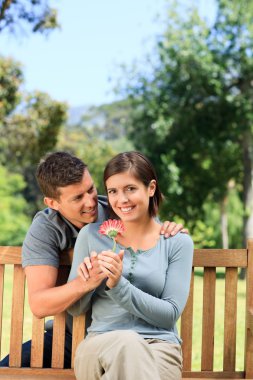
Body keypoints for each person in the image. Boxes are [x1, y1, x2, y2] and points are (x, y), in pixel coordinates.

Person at [0, 151, 187, 368]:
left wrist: (168, 229)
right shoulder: (45, 229)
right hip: (72, 337)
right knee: (8, 370)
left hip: (135, 332)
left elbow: (152, 241)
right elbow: (40, 304)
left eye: (91, 189)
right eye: (78, 198)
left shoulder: (119, 208)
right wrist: (83, 284)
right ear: (52, 203)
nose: (90, 202)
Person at [68, 151, 194, 380]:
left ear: (151, 188)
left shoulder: (177, 242)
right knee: (128, 341)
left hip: (159, 348)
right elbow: (76, 309)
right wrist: (88, 282)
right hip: (99, 345)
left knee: (132, 348)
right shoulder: (90, 236)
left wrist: (118, 285)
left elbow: (169, 315)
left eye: (130, 189)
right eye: (113, 191)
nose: (121, 200)